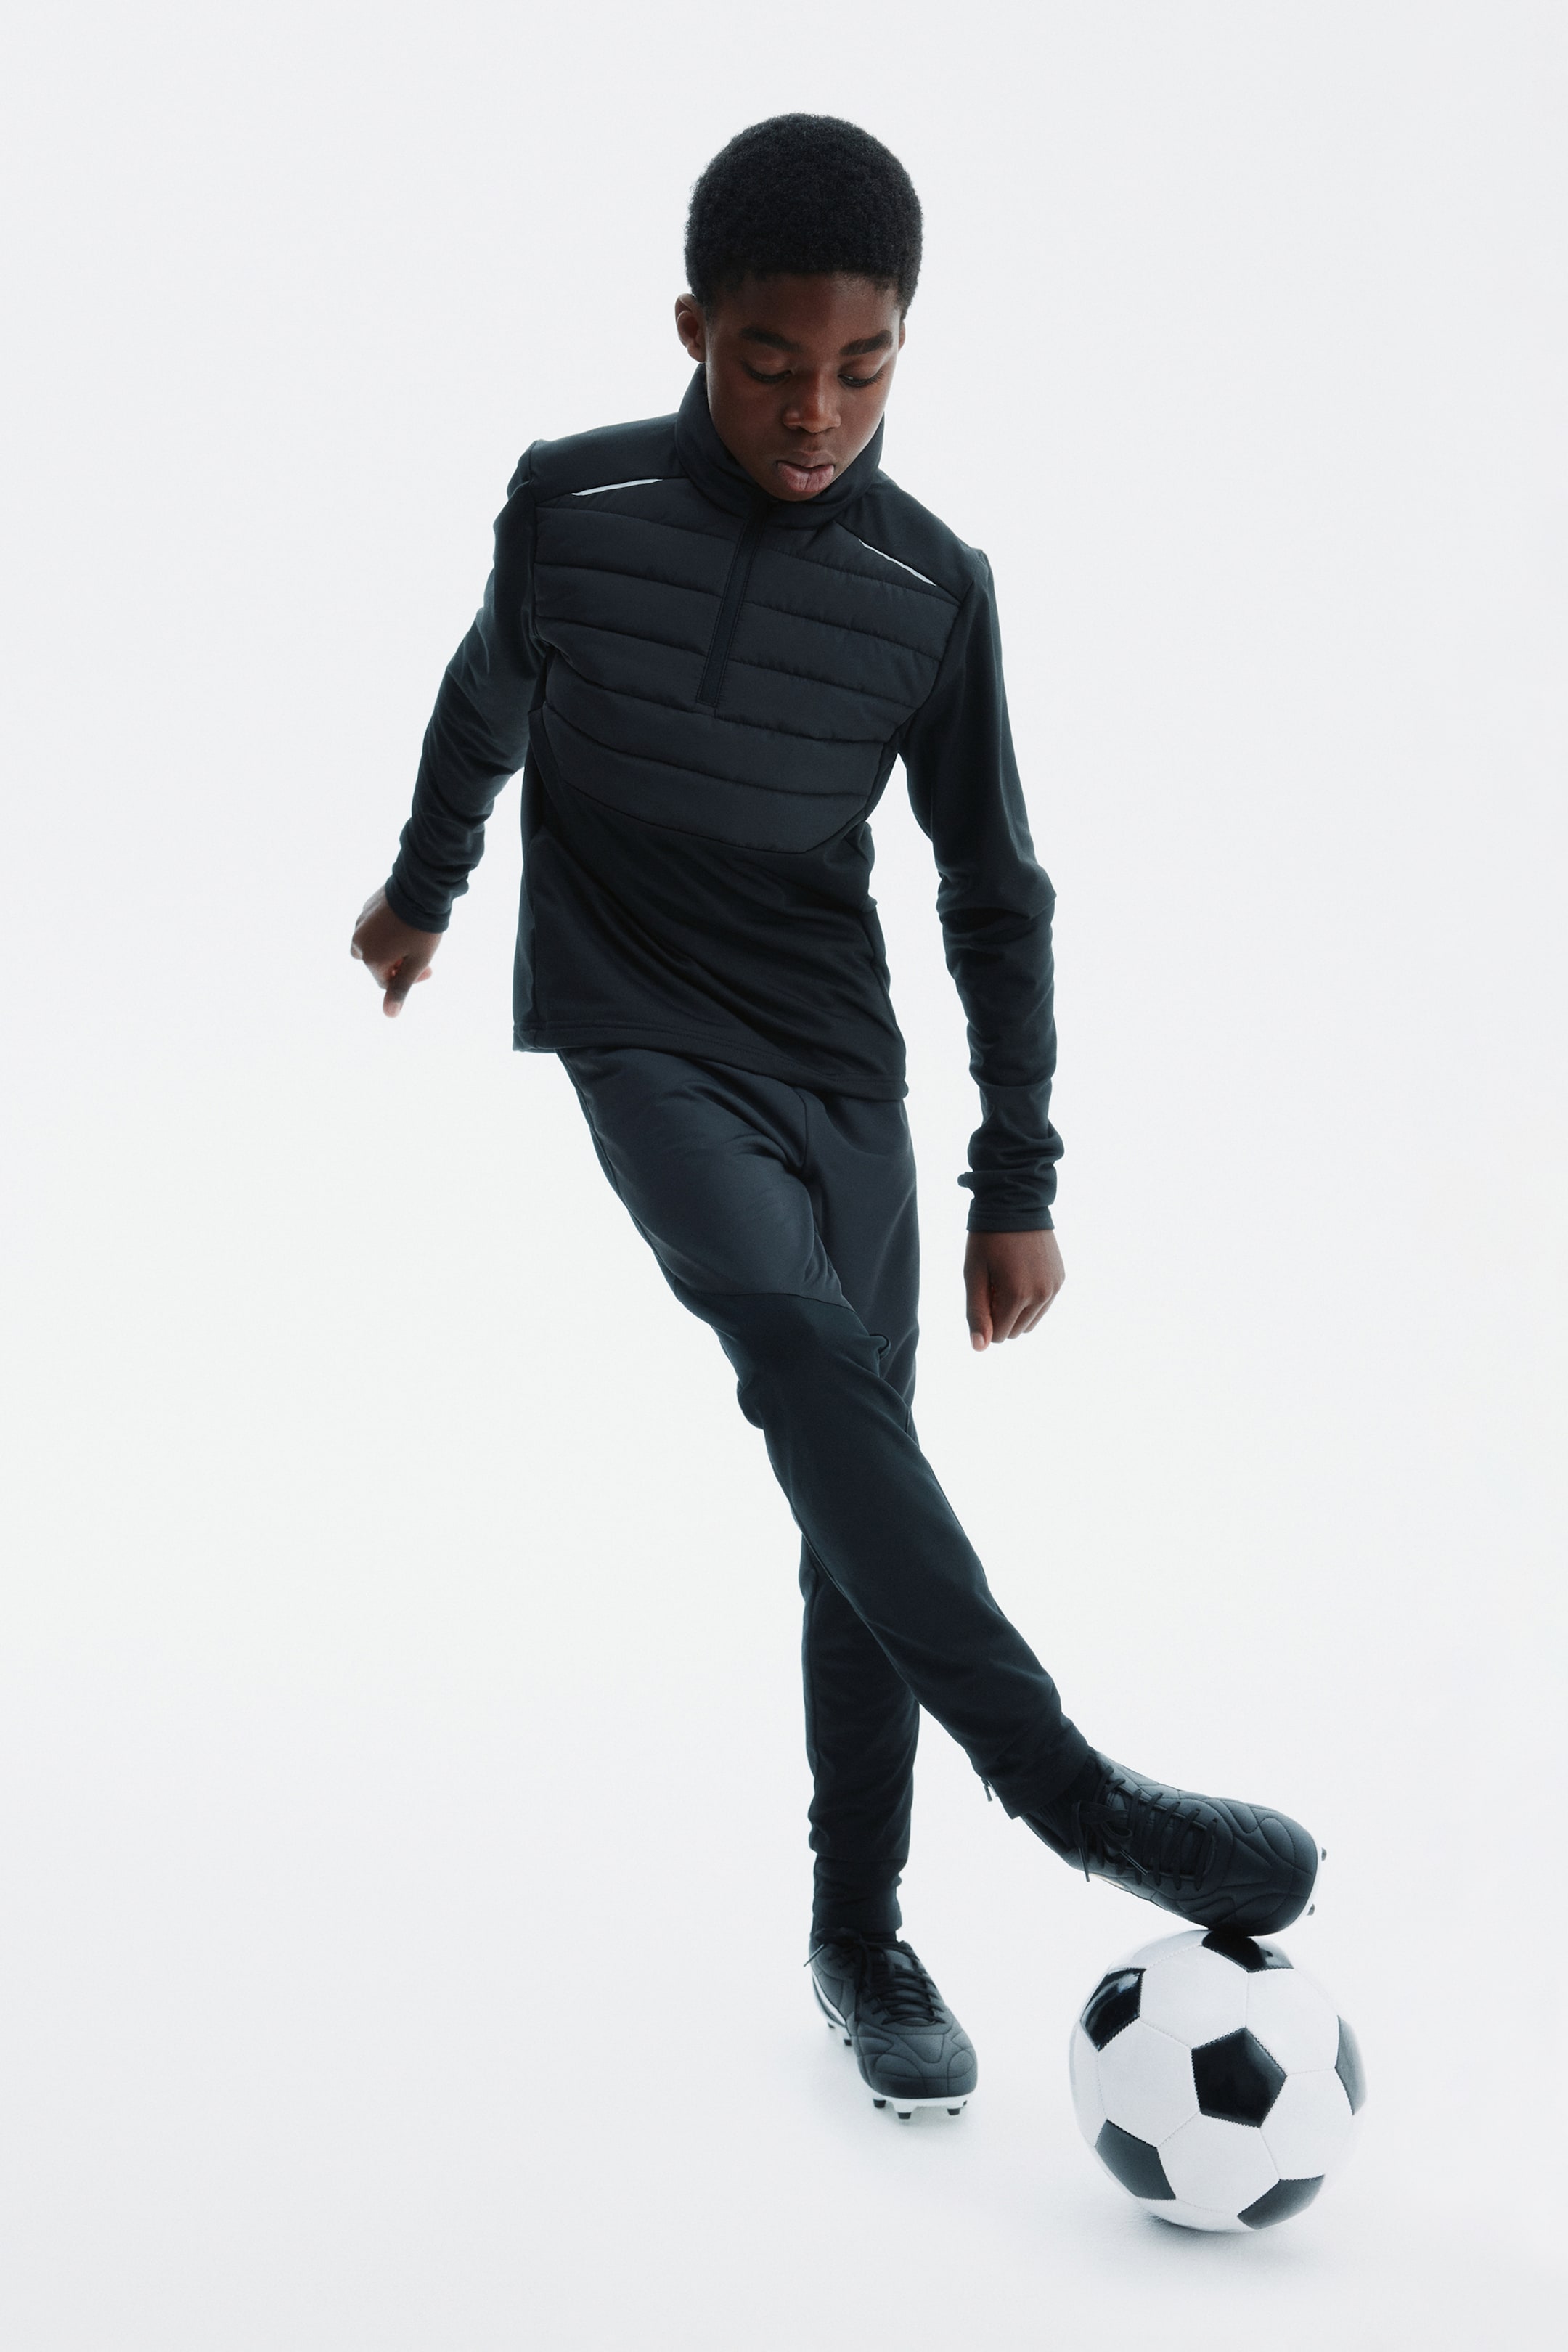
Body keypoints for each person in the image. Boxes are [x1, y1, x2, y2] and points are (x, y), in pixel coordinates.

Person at [351, 114, 1320, 2122]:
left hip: (839, 1065)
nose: (815, 413)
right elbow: (486, 701)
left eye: (864, 369)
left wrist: (1013, 1173)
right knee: (797, 1358)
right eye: (770, 362)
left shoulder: (932, 586)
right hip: (636, 1023)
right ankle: (1068, 1792)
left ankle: (860, 1939)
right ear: (692, 328)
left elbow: (993, 884)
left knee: (850, 1476)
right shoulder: (575, 502)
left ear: (903, 349)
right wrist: (428, 890)